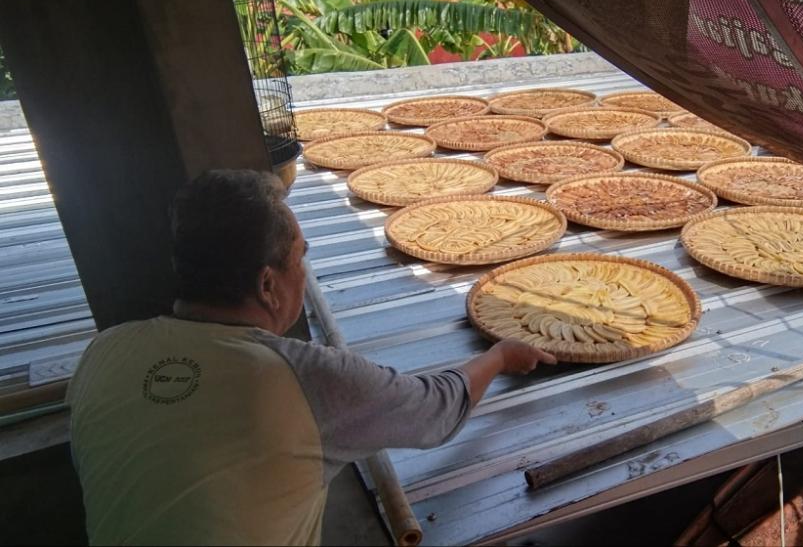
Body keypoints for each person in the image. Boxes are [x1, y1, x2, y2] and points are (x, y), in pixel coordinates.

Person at [66, 169, 556, 545]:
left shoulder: (101, 354)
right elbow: (435, 410)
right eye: (301, 255)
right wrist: (498, 356)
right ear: (266, 285)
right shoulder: (299, 378)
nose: (305, 268)